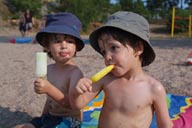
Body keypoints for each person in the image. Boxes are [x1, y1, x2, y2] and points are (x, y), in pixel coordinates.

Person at [69, 11, 172, 128]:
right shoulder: (106, 79)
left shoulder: (153, 88)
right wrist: (76, 93)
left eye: (113, 48)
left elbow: (165, 125)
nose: (107, 57)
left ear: (138, 48)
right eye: (104, 51)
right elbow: (78, 105)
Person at [14, 12, 85, 128]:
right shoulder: (49, 69)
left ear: (76, 46)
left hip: (69, 121)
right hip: (51, 116)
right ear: (47, 46)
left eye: (70, 41)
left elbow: (73, 105)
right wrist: (43, 117)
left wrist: (49, 88)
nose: (64, 45)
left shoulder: (75, 73)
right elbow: (50, 99)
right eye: (57, 41)